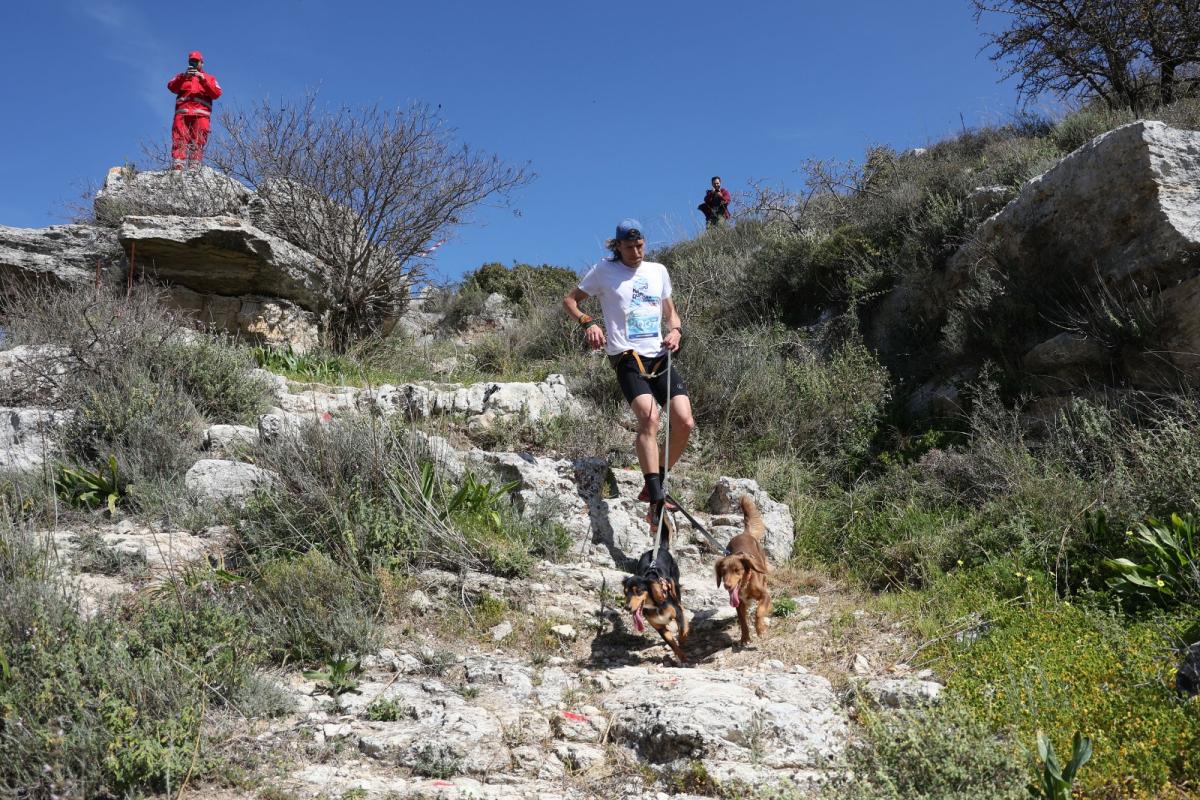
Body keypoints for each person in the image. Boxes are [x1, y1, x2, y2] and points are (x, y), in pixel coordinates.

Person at [563, 219, 696, 519]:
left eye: (639, 246)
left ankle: (655, 483)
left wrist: (675, 330)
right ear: (617, 246)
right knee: (650, 418)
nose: (636, 252)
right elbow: (570, 301)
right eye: (629, 247)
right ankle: (656, 498)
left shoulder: (658, 271)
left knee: (684, 421)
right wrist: (588, 323)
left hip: (661, 356)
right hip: (626, 356)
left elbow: (671, 313)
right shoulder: (604, 271)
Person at [167, 51, 222, 169]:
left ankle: (194, 166)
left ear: (202, 63)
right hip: (182, 114)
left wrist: (203, 80)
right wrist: (183, 77)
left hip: (201, 115)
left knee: (198, 139)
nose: (194, 63)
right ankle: (178, 166)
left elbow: (216, 93)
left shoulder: (209, 78)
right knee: (179, 138)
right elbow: (171, 87)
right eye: (191, 61)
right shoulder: (182, 76)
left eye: (196, 61)